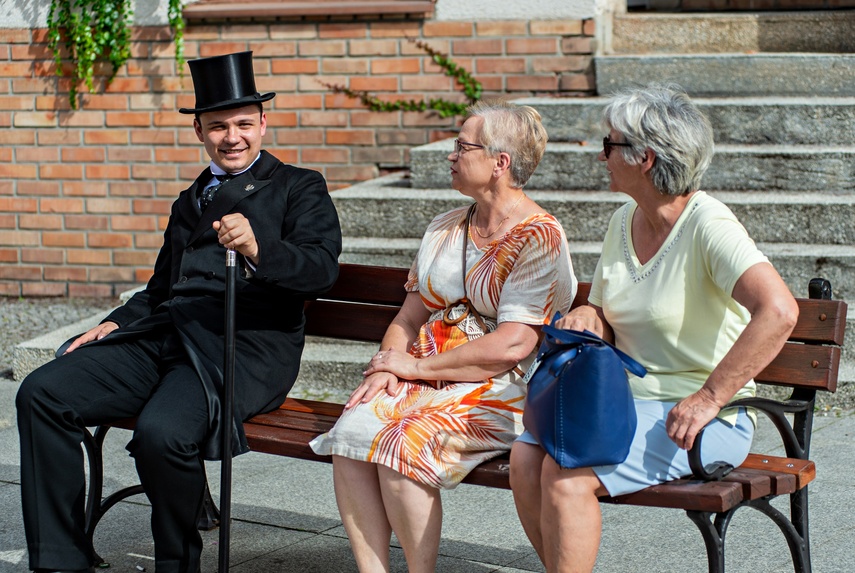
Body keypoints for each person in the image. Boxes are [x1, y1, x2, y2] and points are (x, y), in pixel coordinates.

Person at [16, 51, 342, 573]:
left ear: (263, 123)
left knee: (162, 433)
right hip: (169, 334)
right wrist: (118, 322)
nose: (232, 137)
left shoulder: (299, 186)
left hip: (245, 347)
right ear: (198, 131)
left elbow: (321, 270)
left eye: (242, 124)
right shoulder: (189, 199)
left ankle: (177, 561)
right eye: (217, 126)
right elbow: (161, 288)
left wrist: (259, 249)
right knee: (43, 392)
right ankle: (60, 558)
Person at [509, 84, 800, 573]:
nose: (601, 156)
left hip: (704, 421)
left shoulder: (708, 224)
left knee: (566, 475)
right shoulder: (624, 219)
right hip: (628, 403)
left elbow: (779, 311)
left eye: (609, 145)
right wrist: (588, 317)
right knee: (525, 458)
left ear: (644, 158)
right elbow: (603, 310)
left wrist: (709, 398)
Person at [310, 100, 577, 572]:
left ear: (501, 163)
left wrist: (411, 367)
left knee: (400, 443)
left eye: (462, 146)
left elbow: (513, 344)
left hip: (502, 387)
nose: (450, 155)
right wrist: (385, 369)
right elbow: (408, 318)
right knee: (352, 426)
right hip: (427, 374)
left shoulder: (539, 236)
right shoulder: (445, 227)